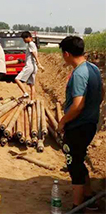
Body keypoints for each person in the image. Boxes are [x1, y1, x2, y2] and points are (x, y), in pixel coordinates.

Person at [57, 36, 104, 211]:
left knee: (73, 163)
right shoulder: (93, 68)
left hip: (78, 126)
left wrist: (62, 122)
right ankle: (89, 196)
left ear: (67, 54)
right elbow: (102, 93)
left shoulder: (78, 73)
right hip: (90, 123)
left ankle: (77, 206)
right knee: (79, 157)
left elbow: (77, 105)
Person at [15, 31, 44, 100]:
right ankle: (32, 100)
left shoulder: (31, 44)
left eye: (24, 38)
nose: (24, 40)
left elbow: (34, 53)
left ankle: (25, 93)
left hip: (29, 66)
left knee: (17, 79)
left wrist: (39, 63)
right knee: (32, 85)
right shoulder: (33, 44)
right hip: (33, 67)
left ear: (29, 37)